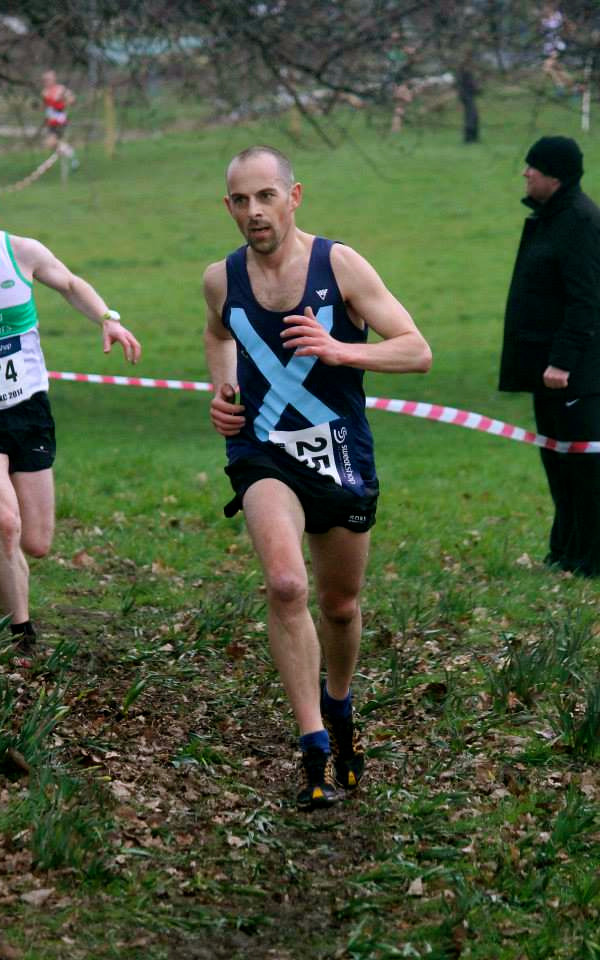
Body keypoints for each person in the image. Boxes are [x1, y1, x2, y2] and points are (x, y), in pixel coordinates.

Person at [203, 145, 431, 810]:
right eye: (241, 200)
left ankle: (339, 705)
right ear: (229, 207)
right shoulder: (221, 279)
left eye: (265, 196)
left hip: (338, 455)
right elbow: (218, 333)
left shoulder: (340, 265)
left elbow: (417, 350)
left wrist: (339, 349)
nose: (254, 212)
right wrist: (222, 390)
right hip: (261, 451)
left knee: (339, 606)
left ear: (293, 196)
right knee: (285, 582)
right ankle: (313, 749)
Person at [0, 171, 141, 653]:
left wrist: (108, 320)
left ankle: (0, 538)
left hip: (28, 410)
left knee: (35, 541)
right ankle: (20, 635)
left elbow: (70, 282)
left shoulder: (19, 252)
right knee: (5, 524)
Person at [499, 136, 600, 577]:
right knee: (559, 465)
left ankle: (590, 560)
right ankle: (563, 554)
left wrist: (563, 361)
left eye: (532, 168)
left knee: (584, 472)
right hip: (548, 376)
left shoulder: (579, 221)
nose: (526, 173)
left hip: (575, 376)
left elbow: (586, 300)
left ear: (554, 176)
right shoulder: (551, 219)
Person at [41, 70, 78, 166]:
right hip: (51, 122)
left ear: (54, 79)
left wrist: (68, 100)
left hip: (60, 121)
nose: (46, 82)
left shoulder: (60, 89)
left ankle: (71, 155)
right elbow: (47, 107)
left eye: (48, 79)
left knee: (51, 142)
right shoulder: (44, 92)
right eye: (45, 80)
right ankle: (71, 154)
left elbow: (72, 99)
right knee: (50, 144)